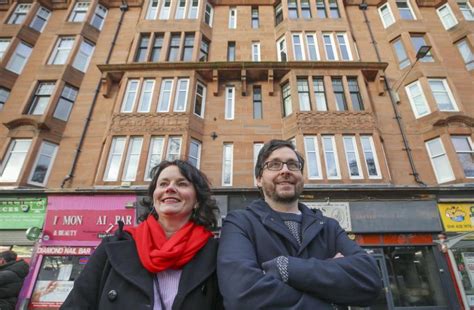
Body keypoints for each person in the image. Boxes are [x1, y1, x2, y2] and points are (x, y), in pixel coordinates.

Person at [217, 139, 382, 309]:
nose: (285, 170)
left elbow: (369, 280)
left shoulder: (329, 227)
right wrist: (329, 296)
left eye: (293, 165)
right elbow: (243, 295)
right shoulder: (240, 223)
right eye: (274, 165)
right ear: (259, 179)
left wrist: (285, 268)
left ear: (301, 176)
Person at [62, 160, 222, 309]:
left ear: (197, 201)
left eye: (182, 183)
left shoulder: (215, 253)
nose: (170, 188)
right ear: (154, 198)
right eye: (163, 183)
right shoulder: (113, 247)